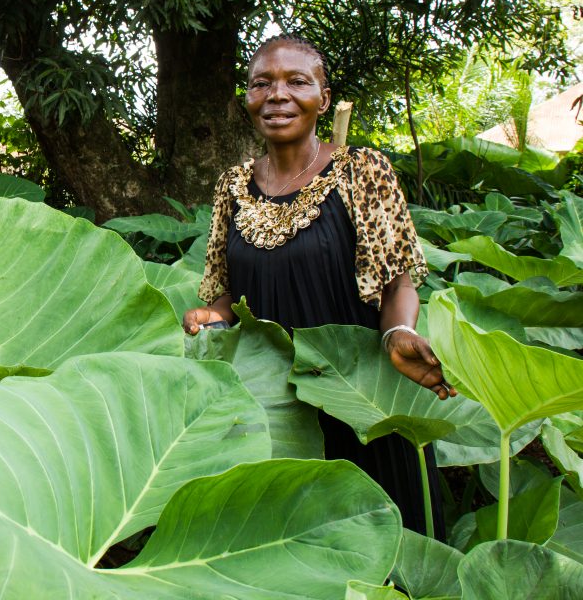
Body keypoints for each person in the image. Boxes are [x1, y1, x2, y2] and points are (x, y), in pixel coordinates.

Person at [182, 34, 457, 537]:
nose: (277, 95)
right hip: (276, 405)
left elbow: (397, 282)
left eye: (296, 82)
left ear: (323, 99)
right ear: (246, 99)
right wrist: (211, 317)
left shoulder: (362, 172)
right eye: (261, 83)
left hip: (359, 395)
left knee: (386, 544)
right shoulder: (233, 187)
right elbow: (225, 292)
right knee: (298, 547)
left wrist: (398, 332)